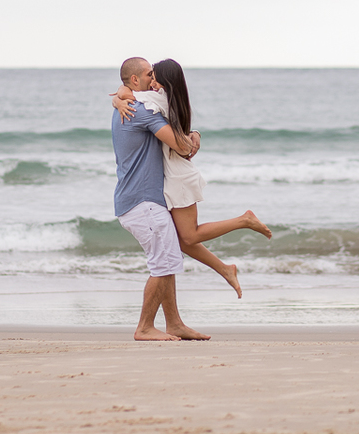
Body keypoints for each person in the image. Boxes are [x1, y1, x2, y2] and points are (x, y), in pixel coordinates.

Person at [113, 58, 272, 299]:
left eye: (154, 76)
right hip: (173, 174)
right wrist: (120, 96)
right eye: (149, 75)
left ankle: (244, 220)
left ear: (165, 82)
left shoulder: (154, 100)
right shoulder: (166, 99)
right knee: (182, 240)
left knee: (189, 236)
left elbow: (129, 94)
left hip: (177, 175)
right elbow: (127, 92)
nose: (152, 81)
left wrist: (120, 96)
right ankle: (225, 269)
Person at [111, 56, 210, 341]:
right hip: (142, 202)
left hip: (140, 200)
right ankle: (144, 327)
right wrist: (192, 139)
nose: (154, 79)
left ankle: (174, 323)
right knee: (164, 263)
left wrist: (194, 133)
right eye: (149, 74)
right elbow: (181, 147)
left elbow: (123, 94)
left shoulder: (131, 103)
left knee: (167, 260)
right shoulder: (140, 110)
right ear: (135, 80)